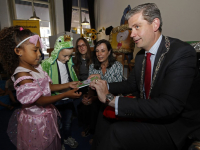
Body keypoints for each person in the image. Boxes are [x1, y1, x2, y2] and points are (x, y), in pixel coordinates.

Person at [89, 3, 200, 150]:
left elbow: (169, 106)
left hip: (175, 125)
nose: (132, 34)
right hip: (149, 112)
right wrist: (103, 85)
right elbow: (131, 85)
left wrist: (110, 99)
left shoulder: (181, 53)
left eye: (137, 27)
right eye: (131, 29)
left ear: (155, 24)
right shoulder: (141, 56)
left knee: (117, 132)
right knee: (103, 118)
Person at [0, 26, 81, 150]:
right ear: (18, 51)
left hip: (46, 116)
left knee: (52, 141)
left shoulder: (36, 67)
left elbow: (46, 86)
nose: (39, 54)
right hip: (35, 122)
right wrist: (65, 94)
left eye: (39, 50)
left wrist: (67, 85)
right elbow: (39, 100)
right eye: (35, 50)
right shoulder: (22, 74)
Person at [41, 35, 80, 149]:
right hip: (55, 100)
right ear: (57, 51)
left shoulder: (68, 63)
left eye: (69, 56)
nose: (67, 58)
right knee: (57, 124)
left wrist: (78, 85)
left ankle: (67, 138)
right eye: (64, 55)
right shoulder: (47, 64)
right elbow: (45, 86)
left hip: (68, 99)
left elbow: (72, 77)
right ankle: (59, 142)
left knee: (67, 122)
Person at [86, 39, 123, 144]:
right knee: (92, 105)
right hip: (98, 99)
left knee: (101, 107)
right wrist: (89, 92)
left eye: (103, 50)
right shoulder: (92, 66)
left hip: (111, 98)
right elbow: (91, 89)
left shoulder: (117, 66)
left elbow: (118, 88)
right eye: (97, 51)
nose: (99, 54)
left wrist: (100, 80)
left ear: (109, 52)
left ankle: (102, 136)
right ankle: (96, 134)